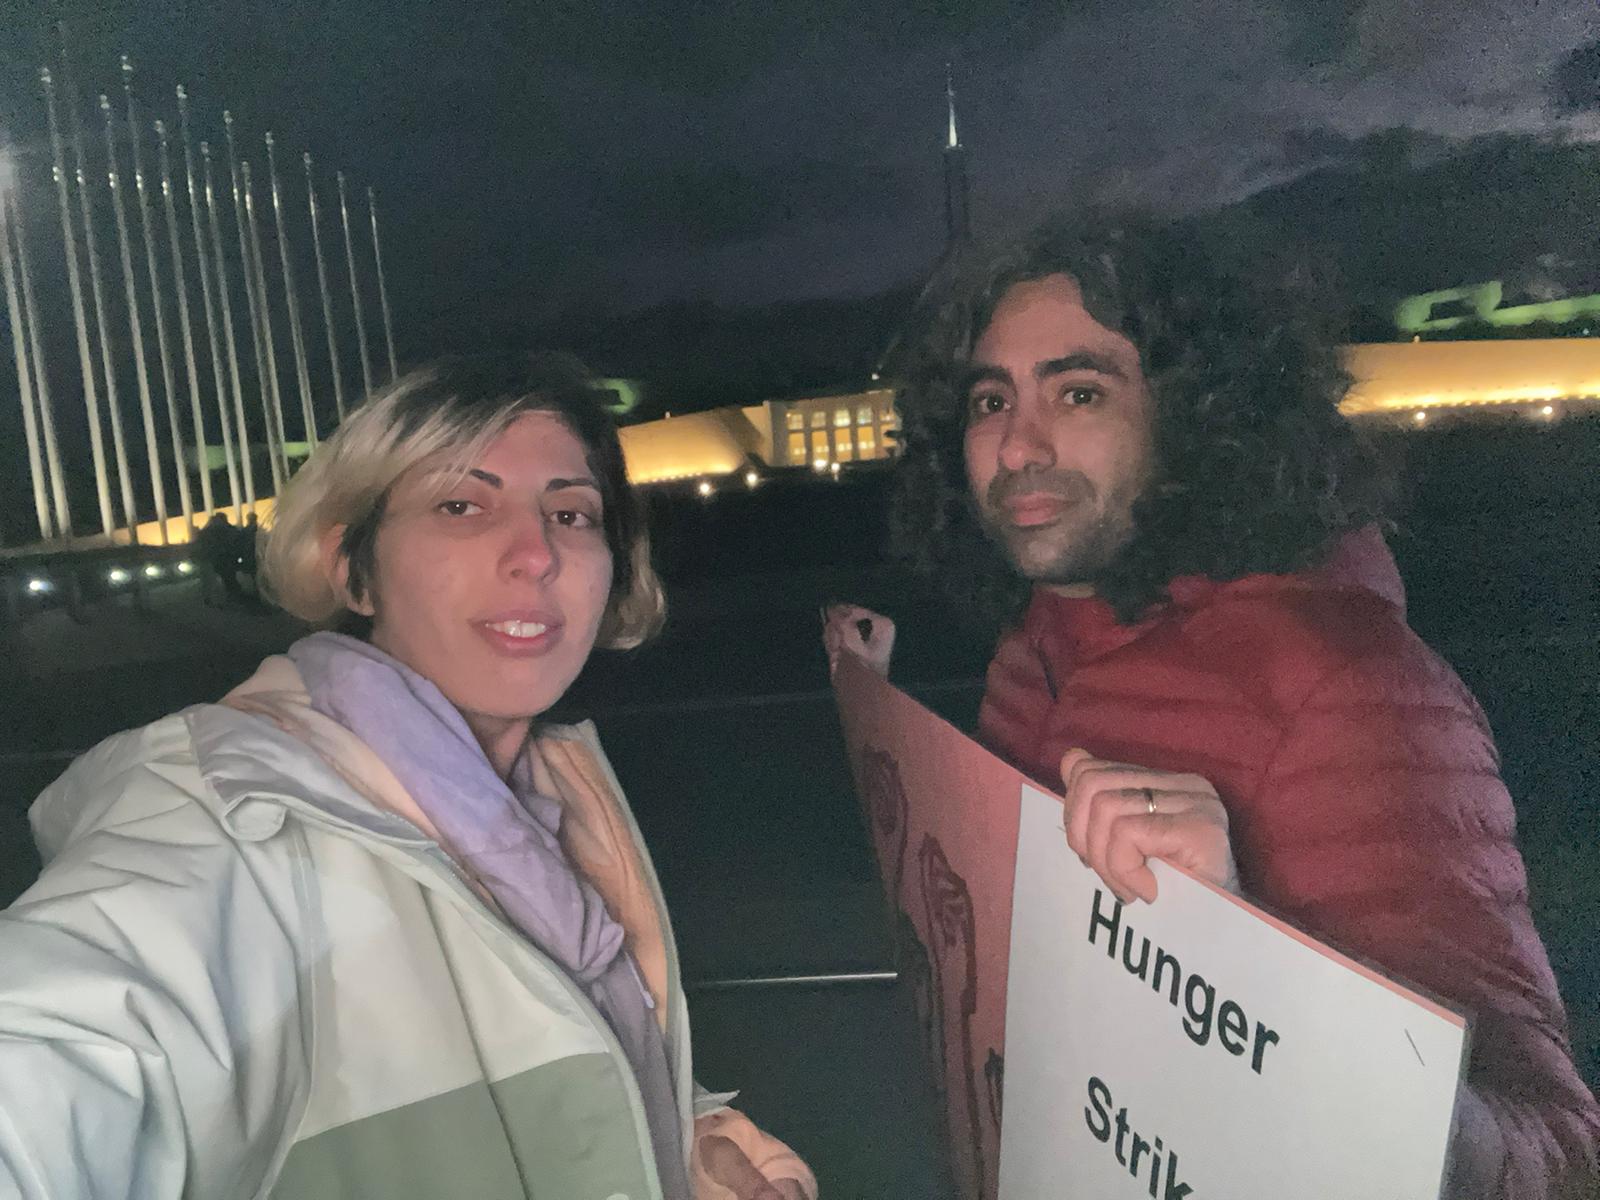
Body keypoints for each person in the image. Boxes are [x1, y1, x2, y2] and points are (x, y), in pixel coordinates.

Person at [825, 211, 1598, 1197]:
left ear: (1191, 414)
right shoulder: (1038, 644)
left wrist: (1246, 965)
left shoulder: (1346, 685)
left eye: (1077, 391)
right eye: (989, 401)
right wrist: (876, 709)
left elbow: (1558, 1149)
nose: (1017, 444)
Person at [0, 354, 814, 1200]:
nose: (535, 554)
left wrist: (691, 1147)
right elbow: (69, 1048)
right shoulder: (234, 821)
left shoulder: (548, 805)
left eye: (571, 513)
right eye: (461, 505)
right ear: (352, 568)